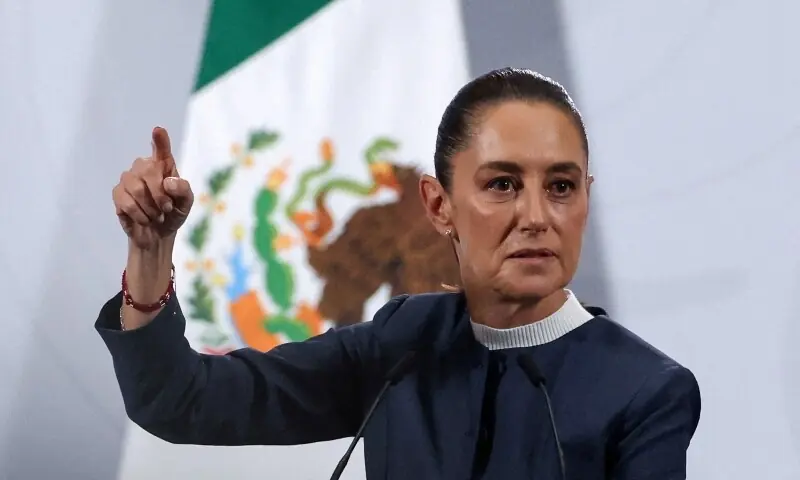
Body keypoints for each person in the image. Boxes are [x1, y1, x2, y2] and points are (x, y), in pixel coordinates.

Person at [98, 68, 701, 479]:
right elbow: (179, 402)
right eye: (502, 184)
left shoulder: (645, 390)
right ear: (439, 206)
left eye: (562, 187)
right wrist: (150, 255)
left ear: (586, 199)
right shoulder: (403, 343)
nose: (537, 217)